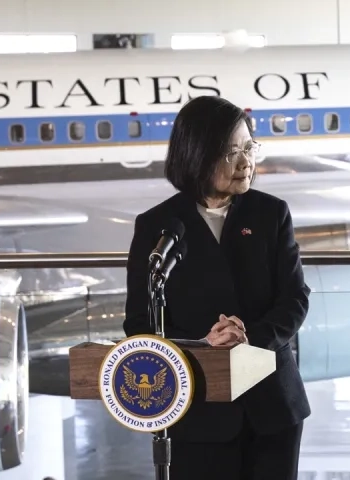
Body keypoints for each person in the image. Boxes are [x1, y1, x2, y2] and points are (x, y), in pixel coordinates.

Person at [123, 95, 311, 479]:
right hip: (197, 410)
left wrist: (248, 337)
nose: (246, 161)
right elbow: (140, 323)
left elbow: (294, 299)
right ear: (197, 155)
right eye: (231, 153)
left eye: (249, 147)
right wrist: (204, 344)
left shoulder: (271, 213)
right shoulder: (157, 225)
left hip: (272, 405)